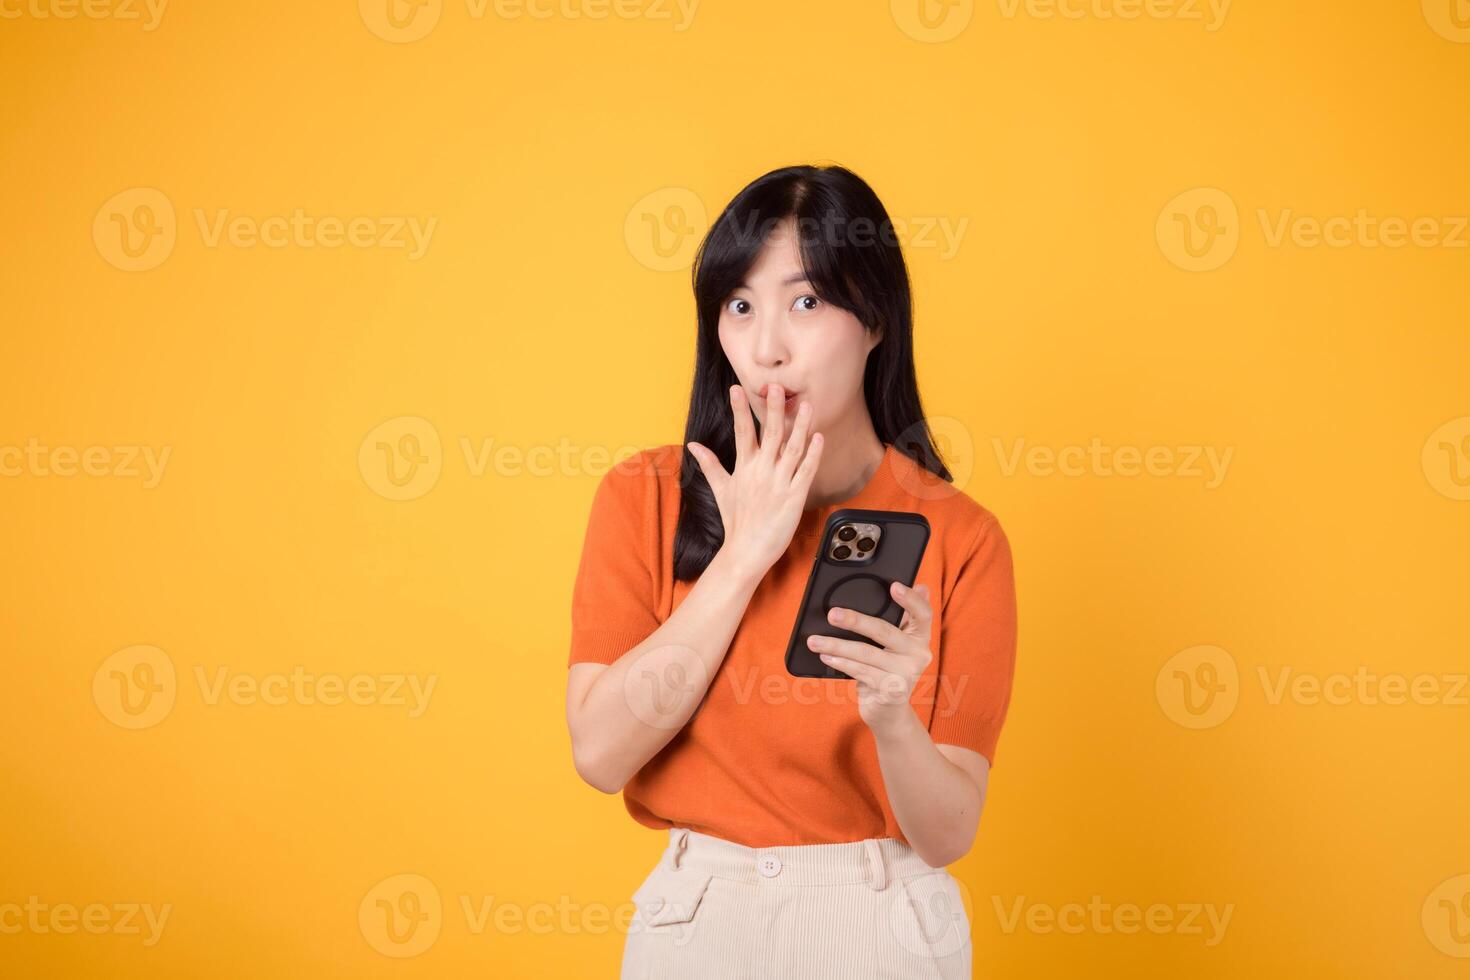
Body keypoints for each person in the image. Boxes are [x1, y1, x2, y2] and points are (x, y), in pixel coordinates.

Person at [565, 163, 1017, 979]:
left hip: (878, 920)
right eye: (740, 306)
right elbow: (600, 754)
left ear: (875, 317)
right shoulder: (643, 497)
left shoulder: (961, 537)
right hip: (695, 918)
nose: (767, 348)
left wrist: (891, 716)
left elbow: (948, 834)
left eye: (806, 302)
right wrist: (744, 556)